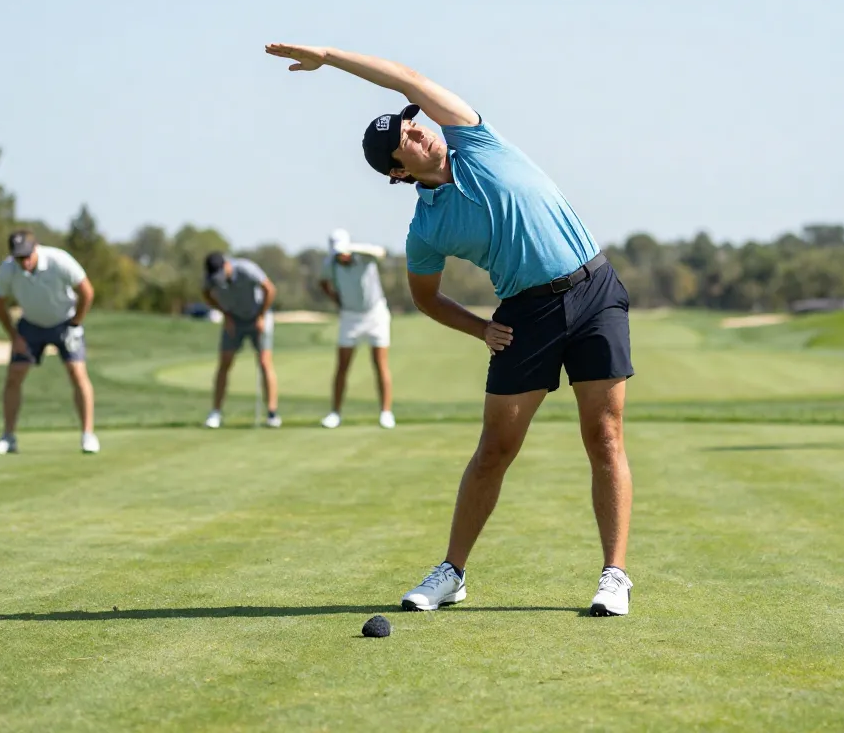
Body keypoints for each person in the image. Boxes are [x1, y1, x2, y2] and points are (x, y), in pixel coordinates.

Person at [266, 42, 636, 616]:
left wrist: (327, 58)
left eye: (416, 125)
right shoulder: (425, 230)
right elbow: (425, 298)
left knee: (604, 436)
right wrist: (480, 328)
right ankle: (452, 572)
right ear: (397, 171)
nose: (420, 133)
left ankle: (614, 576)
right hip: (524, 314)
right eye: (406, 141)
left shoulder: (473, 137)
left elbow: (407, 78)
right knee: (495, 450)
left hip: (595, 290)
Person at [0, 230, 99, 454]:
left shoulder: (59, 260)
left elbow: (87, 292)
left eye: (27, 256)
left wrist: (76, 325)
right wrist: (14, 336)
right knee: (14, 376)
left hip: (65, 321)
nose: (25, 262)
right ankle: (8, 437)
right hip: (30, 325)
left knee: (77, 372)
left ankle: (88, 435)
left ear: (36, 248)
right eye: (19, 258)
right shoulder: (8, 269)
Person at [317, 228, 396, 430]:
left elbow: (382, 252)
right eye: (337, 252)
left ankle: (386, 413)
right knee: (342, 366)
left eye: (342, 250)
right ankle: (335, 413)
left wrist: (353, 247)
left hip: (375, 314)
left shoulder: (364, 257)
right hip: (350, 317)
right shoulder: (330, 264)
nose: (340, 255)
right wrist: (336, 299)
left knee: (379, 363)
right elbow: (323, 282)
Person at [201, 251, 281, 429]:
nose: (218, 279)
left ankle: (272, 413)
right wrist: (225, 313)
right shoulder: (211, 278)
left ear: (226, 265)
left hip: (258, 316)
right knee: (225, 363)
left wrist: (261, 316)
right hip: (234, 319)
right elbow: (206, 293)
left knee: (264, 362)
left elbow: (270, 289)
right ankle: (215, 413)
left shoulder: (246, 269)